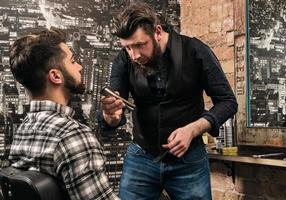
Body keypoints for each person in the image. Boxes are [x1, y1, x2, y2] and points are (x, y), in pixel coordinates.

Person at [100, 3, 238, 200]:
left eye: (140, 45)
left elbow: (228, 102)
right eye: (128, 47)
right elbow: (113, 115)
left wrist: (193, 129)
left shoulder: (195, 50)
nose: (134, 55)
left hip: (189, 160)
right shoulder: (124, 60)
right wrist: (110, 115)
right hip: (141, 158)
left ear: (157, 31)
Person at [8, 28, 119, 200]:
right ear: (56, 76)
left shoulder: (22, 130)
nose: (80, 66)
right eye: (73, 61)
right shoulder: (72, 135)